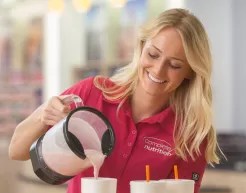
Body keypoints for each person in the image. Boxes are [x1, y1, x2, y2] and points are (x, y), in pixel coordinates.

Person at [9, 8, 223, 193]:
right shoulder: (92, 93)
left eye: (175, 65)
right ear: (141, 47)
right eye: (153, 54)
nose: (158, 70)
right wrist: (43, 114)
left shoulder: (190, 135)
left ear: (189, 73)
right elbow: (17, 150)